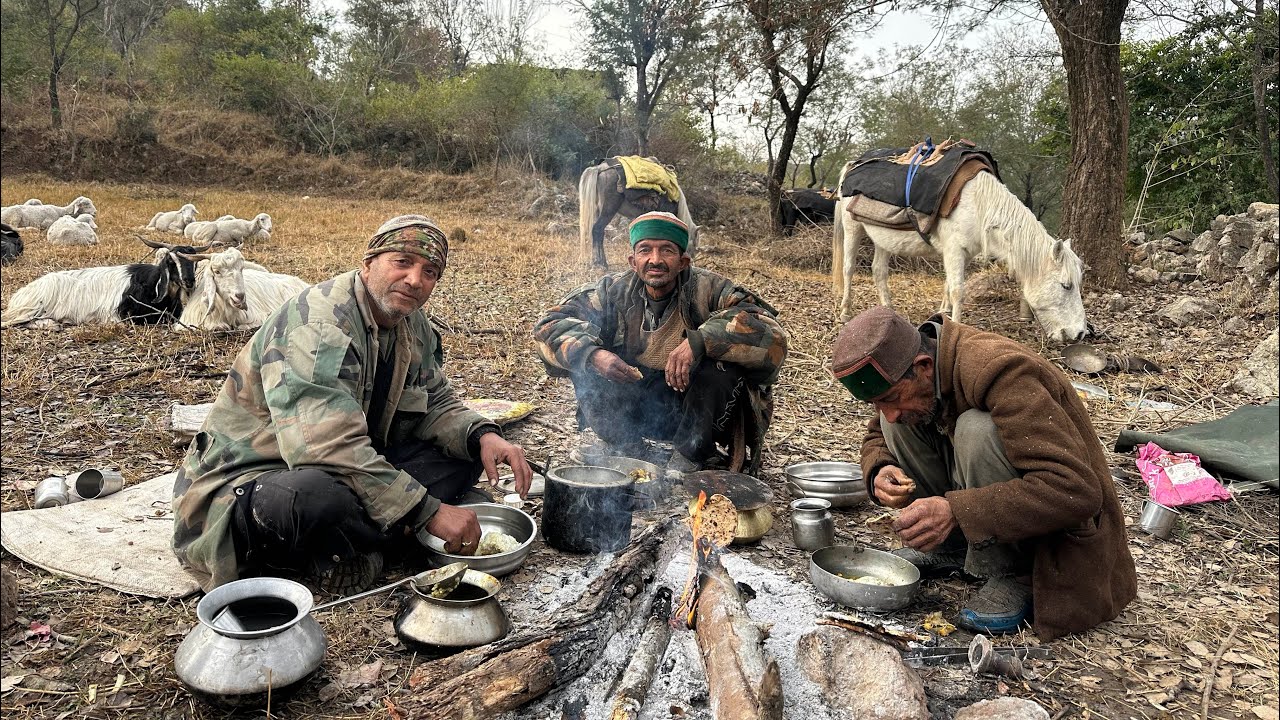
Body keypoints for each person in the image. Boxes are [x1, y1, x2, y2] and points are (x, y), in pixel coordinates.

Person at [172, 215, 533, 593]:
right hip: (252, 481)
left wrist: (484, 434)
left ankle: (375, 532)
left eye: (429, 271)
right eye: (402, 262)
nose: (414, 279)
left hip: (347, 459)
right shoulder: (320, 323)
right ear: (368, 263)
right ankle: (369, 545)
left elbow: (435, 400)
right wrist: (427, 510)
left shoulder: (410, 321)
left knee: (468, 452)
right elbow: (323, 448)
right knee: (314, 496)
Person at [830, 306, 1136, 639]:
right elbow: (879, 432)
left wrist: (956, 511)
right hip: (994, 506)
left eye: (890, 398)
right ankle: (954, 547)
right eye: (877, 404)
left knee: (977, 430)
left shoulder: (1003, 372)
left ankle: (1014, 572)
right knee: (899, 426)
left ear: (923, 366)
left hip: (1058, 548)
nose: (885, 414)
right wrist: (880, 468)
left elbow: (1075, 490)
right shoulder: (916, 373)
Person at [534, 211, 788, 473]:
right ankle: (629, 450)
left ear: (683, 262)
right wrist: (593, 356)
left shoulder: (711, 289)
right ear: (633, 261)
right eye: (645, 250)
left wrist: (700, 341)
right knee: (586, 361)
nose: (655, 260)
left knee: (721, 368)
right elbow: (548, 327)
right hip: (640, 402)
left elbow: (773, 337)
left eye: (666, 250)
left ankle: (692, 454)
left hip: (699, 411)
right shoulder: (612, 291)